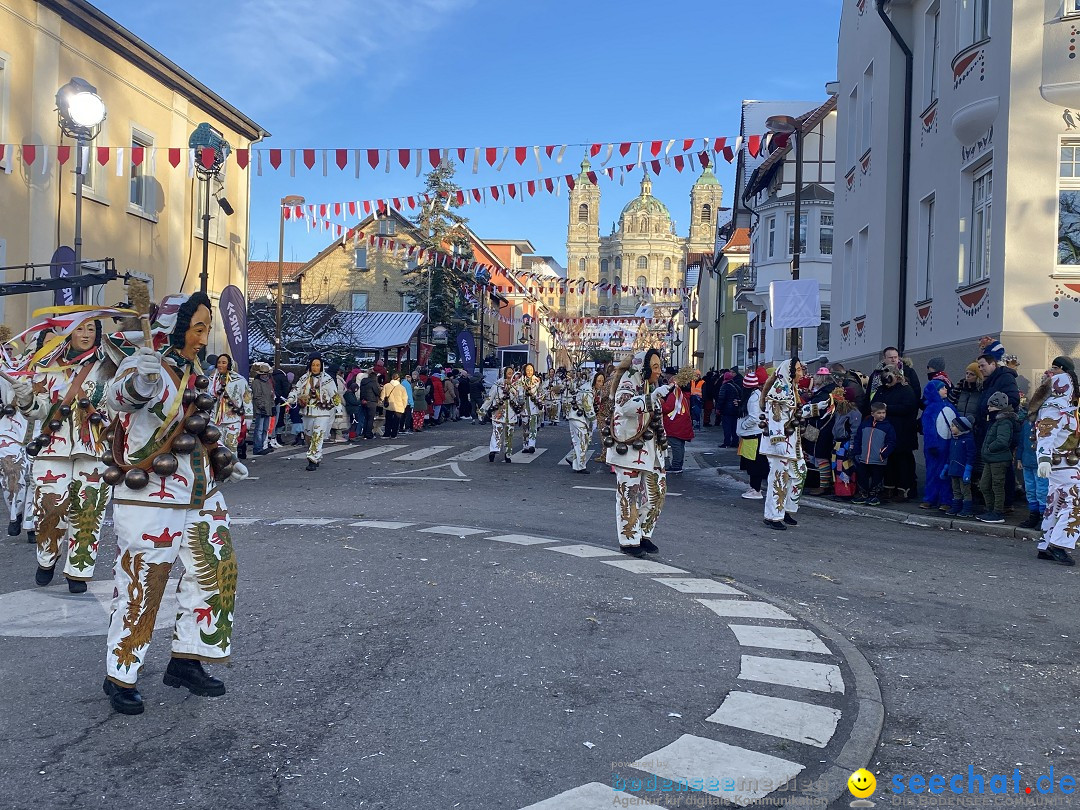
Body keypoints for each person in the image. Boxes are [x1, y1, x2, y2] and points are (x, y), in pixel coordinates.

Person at [101, 291, 248, 715]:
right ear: (176, 327)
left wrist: (226, 460)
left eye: (206, 328)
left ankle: (187, 658)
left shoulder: (193, 369)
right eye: (198, 329)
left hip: (201, 489)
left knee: (217, 570)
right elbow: (120, 398)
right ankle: (121, 673)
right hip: (150, 494)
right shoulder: (145, 362)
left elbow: (199, 422)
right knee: (143, 582)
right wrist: (140, 380)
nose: (203, 338)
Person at [11, 315, 116, 593]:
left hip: (94, 451)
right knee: (49, 510)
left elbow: (118, 408)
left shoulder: (109, 367)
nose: (85, 334)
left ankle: (79, 572)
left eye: (91, 328)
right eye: (79, 328)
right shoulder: (48, 367)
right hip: (52, 449)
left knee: (89, 511)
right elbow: (39, 411)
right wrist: (25, 397)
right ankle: (46, 559)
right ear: (68, 333)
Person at [607, 350, 669, 557]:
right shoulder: (628, 381)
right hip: (631, 449)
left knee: (657, 494)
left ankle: (643, 533)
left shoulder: (649, 384)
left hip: (651, 450)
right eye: (655, 367)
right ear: (643, 368)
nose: (659, 372)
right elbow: (624, 406)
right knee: (629, 495)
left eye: (659, 366)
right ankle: (629, 539)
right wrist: (651, 398)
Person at [1033, 357, 1080, 565]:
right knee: (1074, 502)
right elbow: (1046, 433)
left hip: (1065, 462)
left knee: (1056, 502)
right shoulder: (1057, 406)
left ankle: (1046, 544)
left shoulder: (1067, 405)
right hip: (1062, 462)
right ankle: (1058, 544)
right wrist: (1043, 458)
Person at [761, 359, 807, 530]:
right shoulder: (779, 390)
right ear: (789, 372)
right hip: (780, 444)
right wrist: (778, 439)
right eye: (798, 370)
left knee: (799, 473)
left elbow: (797, 412)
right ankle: (773, 516)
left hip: (792, 443)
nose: (801, 373)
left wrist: (822, 405)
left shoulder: (793, 390)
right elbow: (775, 417)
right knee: (779, 478)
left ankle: (787, 509)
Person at [869, 364, 919, 501]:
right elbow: (873, 404)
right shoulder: (881, 390)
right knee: (888, 461)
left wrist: (887, 408)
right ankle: (889, 488)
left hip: (903, 432)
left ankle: (904, 490)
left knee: (902, 462)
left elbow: (909, 407)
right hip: (885, 432)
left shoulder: (906, 389)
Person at [286, 355, 344, 471]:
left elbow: (335, 395)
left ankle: (312, 459)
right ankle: (316, 454)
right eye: (313, 365)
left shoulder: (327, 379)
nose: (315, 368)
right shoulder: (304, 378)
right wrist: (291, 399)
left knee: (318, 435)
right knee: (309, 436)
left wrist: (338, 411)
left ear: (321, 366)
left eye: (317, 365)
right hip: (307, 412)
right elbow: (296, 390)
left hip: (322, 412)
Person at [977, 391, 1019, 524]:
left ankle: (997, 512)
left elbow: (1002, 441)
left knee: (997, 486)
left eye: (990, 406)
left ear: (997, 406)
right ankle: (990, 510)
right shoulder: (998, 421)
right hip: (992, 458)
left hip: (999, 459)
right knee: (984, 485)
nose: (988, 408)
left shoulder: (1004, 422)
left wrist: (989, 448)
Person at [920, 380, 958, 510]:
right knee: (933, 473)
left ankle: (946, 499)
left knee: (946, 473)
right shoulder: (930, 409)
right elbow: (928, 429)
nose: (945, 390)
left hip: (948, 445)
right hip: (935, 447)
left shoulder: (950, 406)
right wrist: (932, 445)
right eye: (941, 388)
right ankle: (930, 498)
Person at [851, 402, 897, 506]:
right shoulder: (865, 424)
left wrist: (883, 453)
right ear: (872, 414)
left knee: (877, 478)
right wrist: (857, 452)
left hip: (878, 459)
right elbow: (858, 438)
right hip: (863, 457)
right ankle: (863, 495)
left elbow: (891, 442)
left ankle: (874, 495)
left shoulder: (888, 427)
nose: (882, 415)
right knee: (862, 476)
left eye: (883, 413)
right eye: (879, 413)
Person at [1017, 385, 1049, 529]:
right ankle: (1033, 515)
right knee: (1030, 489)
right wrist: (1019, 458)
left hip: (1038, 462)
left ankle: (1043, 516)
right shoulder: (1026, 424)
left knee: (1042, 490)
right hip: (1027, 461)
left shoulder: (1043, 425)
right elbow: (1021, 442)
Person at [802, 367, 838, 496]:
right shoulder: (829, 392)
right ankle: (824, 484)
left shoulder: (823, 395)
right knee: (820, 458)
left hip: (820, 429)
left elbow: (813, 412)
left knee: (821, 458)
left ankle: (824, 486)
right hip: (824, 428)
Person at [479, 367, 523, 462]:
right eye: (508, 373)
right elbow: (489, 398)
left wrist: (515, 391)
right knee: (496, 431)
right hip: (498, 412)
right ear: (504, 374)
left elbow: (520, 400)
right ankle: (494, 450)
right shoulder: (497, 385)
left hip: (511, 414)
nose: (510, 375)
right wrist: (482, 410)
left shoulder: (516, 386)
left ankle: (508, 454)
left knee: (509, 434)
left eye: (511, 373)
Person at [209, 354, 249, 459]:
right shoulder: (212, 380)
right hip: (214, 420)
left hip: (233, 419)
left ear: (229, 364)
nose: (220, 365)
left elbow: (247, 398)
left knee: (231, 445)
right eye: (219, 362)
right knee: (216, 447)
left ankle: (232, 469)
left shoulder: (239, 380)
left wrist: (248, 417)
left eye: (224, 362)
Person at [566, 371, 603, 474]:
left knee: (584, 440)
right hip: (577, 417)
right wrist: (594, 420)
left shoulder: (592, 389)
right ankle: (580, 466)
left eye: (602, 381)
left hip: (581, 417)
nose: (601, 383)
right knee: (582, 440)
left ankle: (571, 458)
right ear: (593, 380)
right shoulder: (587, 390)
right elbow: (588, 407)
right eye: (599, 381)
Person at [829, 388, 861, 500]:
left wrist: (851, 445)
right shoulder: (839, 411)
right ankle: (839, 491)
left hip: (845, 444)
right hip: (838, 443)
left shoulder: (853, 413)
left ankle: (847, 492)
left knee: (845, 468)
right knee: (837, 467)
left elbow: (855, 430)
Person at [662, 368, 695, 474]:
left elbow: (667, 408)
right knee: (680, 445)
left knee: (676, 445)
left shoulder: (674, 395)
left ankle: (676, 465)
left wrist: (660, 402)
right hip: (681, 423)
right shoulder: (681, 395)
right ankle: (678, 464)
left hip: (675, 425)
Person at [945, 416, 977, 518]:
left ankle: (967, 508)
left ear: (960, 428)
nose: (951, 427)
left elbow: (971, 455)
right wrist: (946, 466)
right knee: (956, 489)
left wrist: (968, 469)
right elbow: (950, 455)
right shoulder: (954, 440)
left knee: (965, 490)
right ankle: (956, 506)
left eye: (953, 426)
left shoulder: (968, 440)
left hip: (963, 470)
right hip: (953, 469)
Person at [249, 362, 275, 455]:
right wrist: (262, 407)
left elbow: (271, 396)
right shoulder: (256, 383)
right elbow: (257, 396)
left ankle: (263, 446)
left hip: (267, 408)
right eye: (263, 374)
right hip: (261, 409)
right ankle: (257, 447)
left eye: (266, 374)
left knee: (264, 429)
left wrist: (272, 407)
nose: (265, 375)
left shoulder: (267, 383)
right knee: (259, 429)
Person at [520, 363, 544, 453]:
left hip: (533, 407)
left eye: (531, 370)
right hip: (524, 408)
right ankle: (525, 445)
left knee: (533, 427)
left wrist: (539, 401)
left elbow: (541, 393)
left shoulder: (537, 381)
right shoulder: (520, 381)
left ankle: (532, 445)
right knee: (525, 427)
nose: (529, 372)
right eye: (527, 370)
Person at [715, 371, 742, 448]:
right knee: (734, 426)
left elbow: (721, 399)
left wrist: (718, 408)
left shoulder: (724, 386)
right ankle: (735, 442)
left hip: (726, 410)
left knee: (727, 427)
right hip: (736, 409)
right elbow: (741, 396)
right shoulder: (736, 386)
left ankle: (726, 442)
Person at [358, 369, 382, 440]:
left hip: (364, 401)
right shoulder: (373, 382)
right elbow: (377, 392)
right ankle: (368, 434)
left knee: (366, 418)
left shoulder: (363, 382)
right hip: (371, 402)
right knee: (370, 419)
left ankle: (364, 432)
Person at [381, 373, 407, 438]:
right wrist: (404, 406)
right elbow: (405, 398)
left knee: (388, 420)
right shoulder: (402, 388)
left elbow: (382, 396)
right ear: (398, 379)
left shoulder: (386, 386)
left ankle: (387, 433)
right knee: (396, 421)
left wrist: (383, 402)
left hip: (389, 406)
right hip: (399, 406)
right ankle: (394, 434)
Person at [271, 365, 291, 448]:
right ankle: (277, 437)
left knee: (272, 420)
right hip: (281, 400)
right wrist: (286, 398)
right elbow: (286, 388)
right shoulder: (283, 377)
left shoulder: (271, 376)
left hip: (273, 400)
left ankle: (272, 437)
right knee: (279, 419)